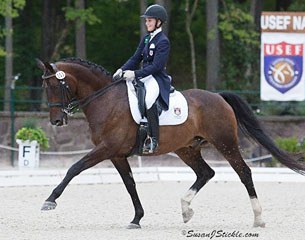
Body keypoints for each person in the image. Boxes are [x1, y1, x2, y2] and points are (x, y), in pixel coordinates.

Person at [113, 4, 171, 153]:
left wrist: (135, 74)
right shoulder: (146, 39)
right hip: (145, 75)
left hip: (156, 78)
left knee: (149, 99)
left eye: (150, 21)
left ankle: (153, 139)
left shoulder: (163, 41)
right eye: (146, 21)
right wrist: (122, 69)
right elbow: (135, 58)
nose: (147, 23)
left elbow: (157, 66)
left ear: (159, 22)